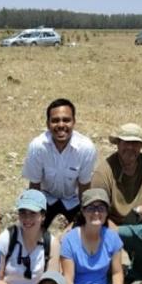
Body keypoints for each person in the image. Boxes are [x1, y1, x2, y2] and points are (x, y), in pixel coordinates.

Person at [22, 98, 98, 229]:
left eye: (66, 120)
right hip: (46, 198)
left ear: (74, 122)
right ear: (47, 124)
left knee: (85, 231)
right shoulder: (37, 147)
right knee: (30, 231)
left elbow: (84, 187)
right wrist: (33, 215)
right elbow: (34, 185)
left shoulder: (86, 148)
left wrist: (83, 217)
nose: (61, 125)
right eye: (55, 120)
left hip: (73, 199)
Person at [90, 123, 142, 226]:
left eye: (135, 143)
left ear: (141, 146)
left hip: (140, 219)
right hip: (112, 223)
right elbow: (96, 210)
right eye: (126, 142)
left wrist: (138, 210)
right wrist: (118, 232)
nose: (130, 147)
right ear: (118, 144)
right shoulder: (104, 171)